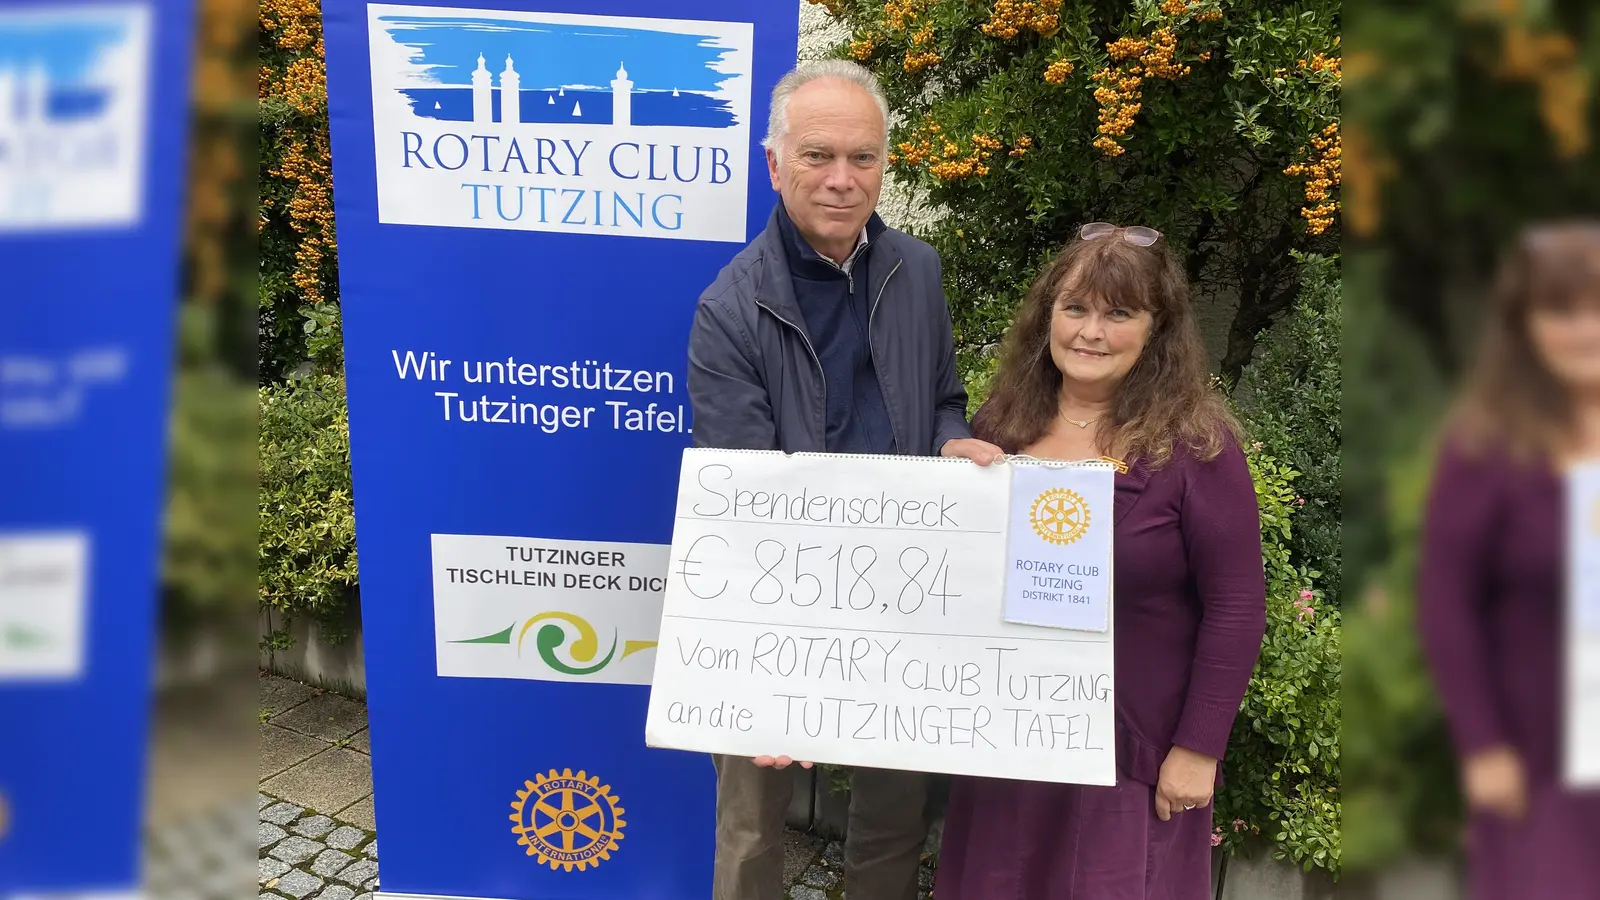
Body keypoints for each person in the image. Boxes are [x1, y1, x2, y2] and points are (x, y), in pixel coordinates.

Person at [684, 60, 1003, 900]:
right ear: (774, 164)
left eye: (863, 157)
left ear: (884, 164)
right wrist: (775, 661)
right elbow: (742, 496)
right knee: (751, 824)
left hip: (904, 593)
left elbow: (942, 396)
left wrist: (951, 441)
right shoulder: (729, 308)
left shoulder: (917, 269)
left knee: (895, 813)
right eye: (818, 155)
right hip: (775, 603)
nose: (842, 178)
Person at [932, 223, 1268, 899]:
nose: (1091, 331)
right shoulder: (1000, 426)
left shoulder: (1196, 446)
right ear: (1047, 317)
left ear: (1156, 329)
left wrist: (1199, 749)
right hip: (1008, 740)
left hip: (1130, 758)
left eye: (1119, 313)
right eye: (1076, 308)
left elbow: (1236, 607)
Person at [1416, 220, 1600, 900]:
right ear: (1524, 327)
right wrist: (1483, 743)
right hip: (1537, 761)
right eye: (1561, 312)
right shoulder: (1483, 448)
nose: (1585, 330)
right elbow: (1446, 602)